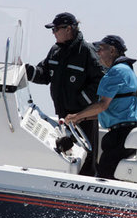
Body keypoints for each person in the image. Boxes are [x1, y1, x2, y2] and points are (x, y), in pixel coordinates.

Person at [25, 12, 103, 177]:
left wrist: (79, 104)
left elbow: (99, 83)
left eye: (55, 29)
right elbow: (43, 74)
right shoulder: (55, 51)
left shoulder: (87, 52)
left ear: (68, 29)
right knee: (65, 159)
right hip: (62, 116)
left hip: (82, 118)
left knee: (85, 162)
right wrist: (25, 70)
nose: (53, 33)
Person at [65, 35, 137, 179]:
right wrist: (82, 118)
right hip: (127, 131)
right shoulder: (126, 69)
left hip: (121, 134)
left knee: (105, 176)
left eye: (101, 49)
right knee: (107, 173)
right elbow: (112, 108)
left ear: (113, 50)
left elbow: (103, 105)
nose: (98, 53)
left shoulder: (116, 72)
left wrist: (77, 116)